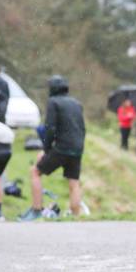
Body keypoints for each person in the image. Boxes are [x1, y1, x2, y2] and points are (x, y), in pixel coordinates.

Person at [20, 75, 86, 221]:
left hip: (62, 147)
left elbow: (50, 128)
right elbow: (82, 127)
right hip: (77, 147)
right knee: (74, 182)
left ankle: (36, 210)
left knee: (36, 171)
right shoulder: (76, 103)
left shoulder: (53, 102)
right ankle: (76, 217)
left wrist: (46, 149)